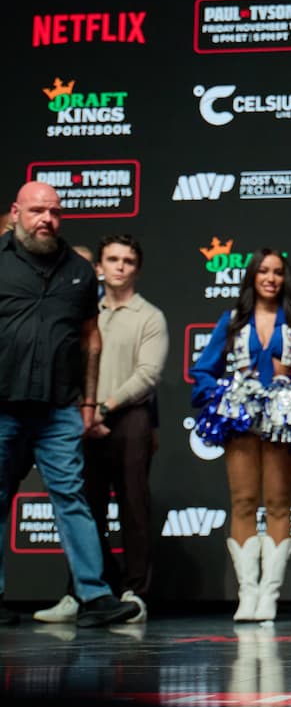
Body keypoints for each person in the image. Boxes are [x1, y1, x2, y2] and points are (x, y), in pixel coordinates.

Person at [0, 182, 140, 627]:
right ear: (16, 212)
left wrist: (89, 402)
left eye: (55, 212)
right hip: (2, 404)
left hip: (59, 406)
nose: (47, 220)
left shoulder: (78, 271)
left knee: (72, 497)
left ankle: (94, 596)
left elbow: (90, 339)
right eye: (38, 211)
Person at [191, 249, 291, 622]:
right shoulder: (234, 319)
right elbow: (204, 370)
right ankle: (247, 594)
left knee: (277, 503)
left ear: (285, 278)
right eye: (264, 271)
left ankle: (269, 596)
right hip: (240, 417)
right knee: (242, 501)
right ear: (253, 276)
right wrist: (220, 395)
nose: (270, 278)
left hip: (282, 417)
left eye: (277, 272)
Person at [35, 234, 168, 625]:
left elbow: (148, 374)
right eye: (113, 259)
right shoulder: (83, 314)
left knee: (134, 508)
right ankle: (83, 593)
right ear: (99, 267)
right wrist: (84, 410)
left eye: (128, 260)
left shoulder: (150, 316)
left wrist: (103, 407)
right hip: (81, 418)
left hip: (129, 419)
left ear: (137, 269)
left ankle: (135, 594)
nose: (120, 266)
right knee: (83, 508)